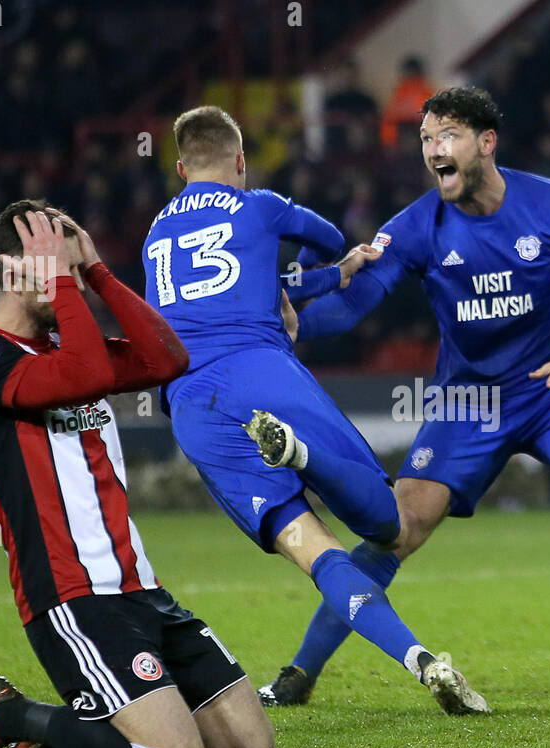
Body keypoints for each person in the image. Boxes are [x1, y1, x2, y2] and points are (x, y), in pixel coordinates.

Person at [266, 86, 550, 705]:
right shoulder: (416, 226)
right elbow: (356, 303)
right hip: (469, 402)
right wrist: (293, 324)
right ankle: (299, 676)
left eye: (446, 136)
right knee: (399, 531)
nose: (432, 151)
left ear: (486, 142)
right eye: (425, 139)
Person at [142, 106, 488, 715]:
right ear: (241, 161)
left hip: (193, 401)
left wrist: (281, 287)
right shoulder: (260, 206)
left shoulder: (152, 238)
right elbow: (330, 238)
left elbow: (174, 322)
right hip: (263, 371)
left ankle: (420, 659)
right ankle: (302, 454)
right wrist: (331, 273)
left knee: (312, 549)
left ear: (178, 167)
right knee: (386, 527)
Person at [0, 202, 275, 748]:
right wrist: (70, 285)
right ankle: (7, 716)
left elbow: (166, 358)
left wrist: (98, 274)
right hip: (72, 595)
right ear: (8, 270)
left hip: (140, 585)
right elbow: (87, 376)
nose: (68, 283)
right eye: (52, 266)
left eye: (70, 268)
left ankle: (74, 732)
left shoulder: (66, 350)